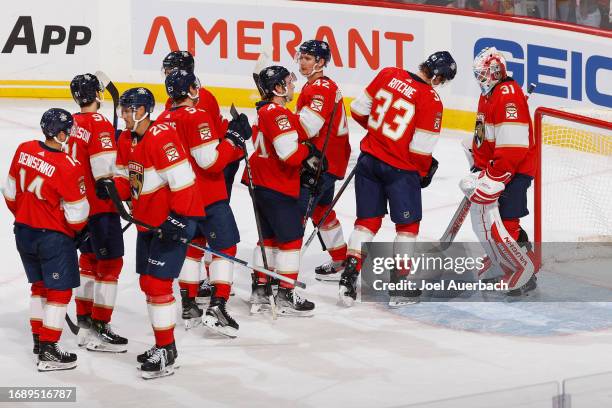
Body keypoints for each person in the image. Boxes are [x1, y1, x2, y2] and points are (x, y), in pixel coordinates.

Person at [340, 51, 457, 307]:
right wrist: (423, 173)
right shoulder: (431, 100)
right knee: (407, 228)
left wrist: (380, 136)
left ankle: (348, 279)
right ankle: (400, 286)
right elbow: (421, 150)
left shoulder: (388, 73)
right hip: (400, 170)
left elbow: (359, 110)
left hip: (369, 160)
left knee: (366, 222)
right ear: (437, 77)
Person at [104, 87, 202, 379]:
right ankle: (164, 347)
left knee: (158, 285)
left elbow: (185, 182)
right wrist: (111, 189)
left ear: (143, 110)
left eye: (127, 109)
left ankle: (166, 352)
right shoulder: (125, 138)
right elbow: (127, 180)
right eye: (122, 109)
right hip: (148, 223)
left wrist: (178, 220)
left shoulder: (162, 137)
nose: (123, 115)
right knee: (148, 283)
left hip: (173, 223)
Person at [159, 69, 250, 337]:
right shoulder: (197, 115)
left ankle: (188, 304)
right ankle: (218, 306)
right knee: (225, 245)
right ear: (190, 90)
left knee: (193, 247)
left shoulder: (163, 120)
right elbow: (211, 162)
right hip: (208, 196)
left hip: (180, 197)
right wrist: (234, 141)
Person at [2, 108, 89, 371]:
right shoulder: (69, 166)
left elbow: (10, 192)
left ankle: (40, 341)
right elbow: (77, 217)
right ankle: (50, 348)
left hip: (24, 232)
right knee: (59, 291)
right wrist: (74, 230)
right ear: (61, 133)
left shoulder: (24, 149)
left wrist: (28, 215)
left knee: (39, 287)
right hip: (52, 238)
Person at [245, 65, 323, 316]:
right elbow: (289, 154)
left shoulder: (263, 110)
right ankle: (285, 294)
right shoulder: (276, 113)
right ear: (278, 88)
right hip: (276, 186)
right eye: (288, 83)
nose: (292, 86)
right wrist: (308, 152)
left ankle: (260, 289)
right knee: (290, 240)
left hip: (260, 183)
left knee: (267, 239)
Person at [460, 47, 537, 296]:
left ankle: (523, 275)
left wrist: (495, 177)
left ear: (496, 72)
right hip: (495, 167)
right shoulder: (489, 94)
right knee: (498, 219)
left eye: (483, 75)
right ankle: (509, 262)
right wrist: (477, 158)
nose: (479, 80)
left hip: (513, 171)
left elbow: (513, 147)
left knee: (507, 219)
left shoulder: (509, 95)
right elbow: (484, 133)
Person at [68, 73, 127, 352]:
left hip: (77, 207)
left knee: (89, 262)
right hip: (101, 209)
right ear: (98, 95)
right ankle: (101, 326)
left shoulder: (71, 123)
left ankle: (84, 319)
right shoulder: (101, 124)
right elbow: (104, 175)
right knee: (111, 265)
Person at [295, 40, 351, 282]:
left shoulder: (320, 88)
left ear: (320, 62)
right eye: (302, 57)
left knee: (297, 215)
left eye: (308, 58)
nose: (302, 62)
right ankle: (341, 259)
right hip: (328, 161)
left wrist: (276, 117)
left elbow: (307, 127)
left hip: (319, 164)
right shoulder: (320, 86)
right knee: (322, 211)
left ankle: (283, 274)